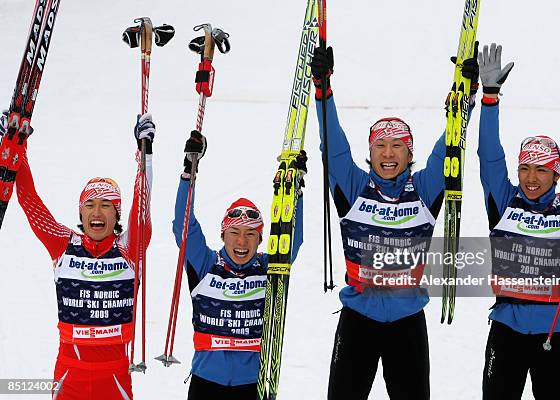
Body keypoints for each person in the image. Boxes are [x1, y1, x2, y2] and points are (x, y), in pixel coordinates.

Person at [310, 46, 478, 399]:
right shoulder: (353, 187)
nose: (388, 154)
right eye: (381, 146)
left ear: (409, 153)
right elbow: (334, 144)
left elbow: (449, 146)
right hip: (358, 320)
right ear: (369, 153)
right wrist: (322, 89)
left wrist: (465, 96)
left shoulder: (426, 188)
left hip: (407, 323)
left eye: (398, 146)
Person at [477, 43, 560, 400]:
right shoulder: (503, 202)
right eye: (524, 168)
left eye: (541, 169)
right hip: (505, 329)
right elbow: (488, 155)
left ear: (556, 173)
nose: (531, 177)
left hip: (554, 332)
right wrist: (489, 98)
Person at [0, 111, 156, 399]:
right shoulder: (63, 244)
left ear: (117, 213)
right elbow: (31, 201)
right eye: (90, 205)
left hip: (115, 376)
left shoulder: (128, 249)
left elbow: (142, 212)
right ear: (81, 212)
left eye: (107, 205)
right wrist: (15, 153)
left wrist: (144, 159)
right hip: (69, 375)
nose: (97, 212)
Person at [173, 130, 307, 399]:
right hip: (206, 382)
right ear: (223, 235)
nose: (242, 241)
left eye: (250, 234)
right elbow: (183, 226)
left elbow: (292, 240)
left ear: (260, 239)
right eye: (235, 233)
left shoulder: (269, 268)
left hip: (252, 384)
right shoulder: (206, 265)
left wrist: (294, 193)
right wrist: (189, 172)